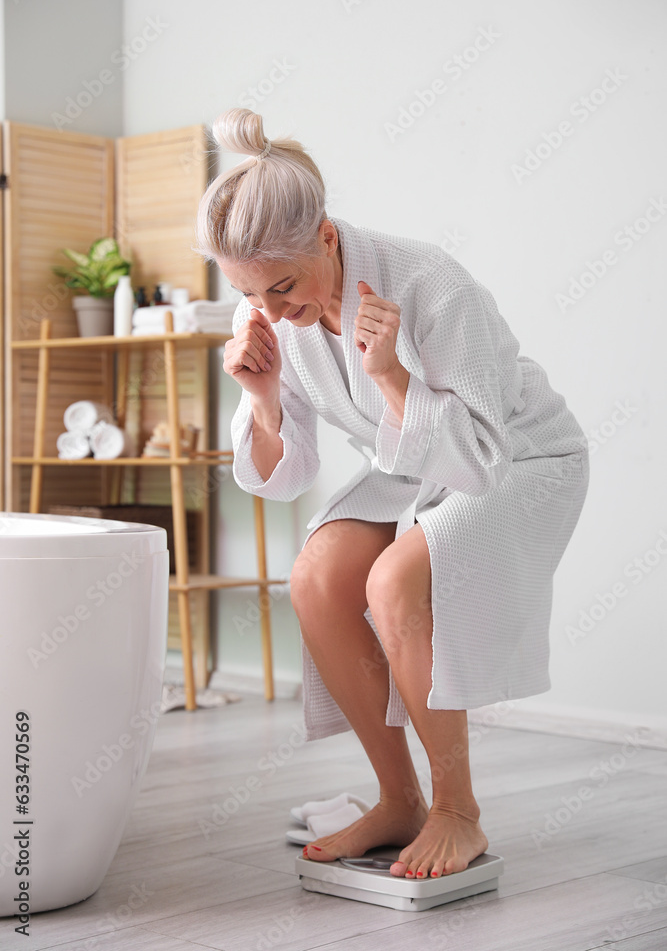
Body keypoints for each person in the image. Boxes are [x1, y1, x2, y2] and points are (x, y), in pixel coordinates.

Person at [195, 108, 590, 880]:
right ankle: (397, 797)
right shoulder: (276, 309)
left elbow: (478, 456)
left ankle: (457, 812)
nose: (271, 311)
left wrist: (391, 376)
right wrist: (267, 395)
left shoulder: (433, 285)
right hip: (412, 460)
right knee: (313, 576)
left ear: (328, 238)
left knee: (392, 583)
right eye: (250, 295)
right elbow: (287, 475)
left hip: (517, 456)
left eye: (281, 287)